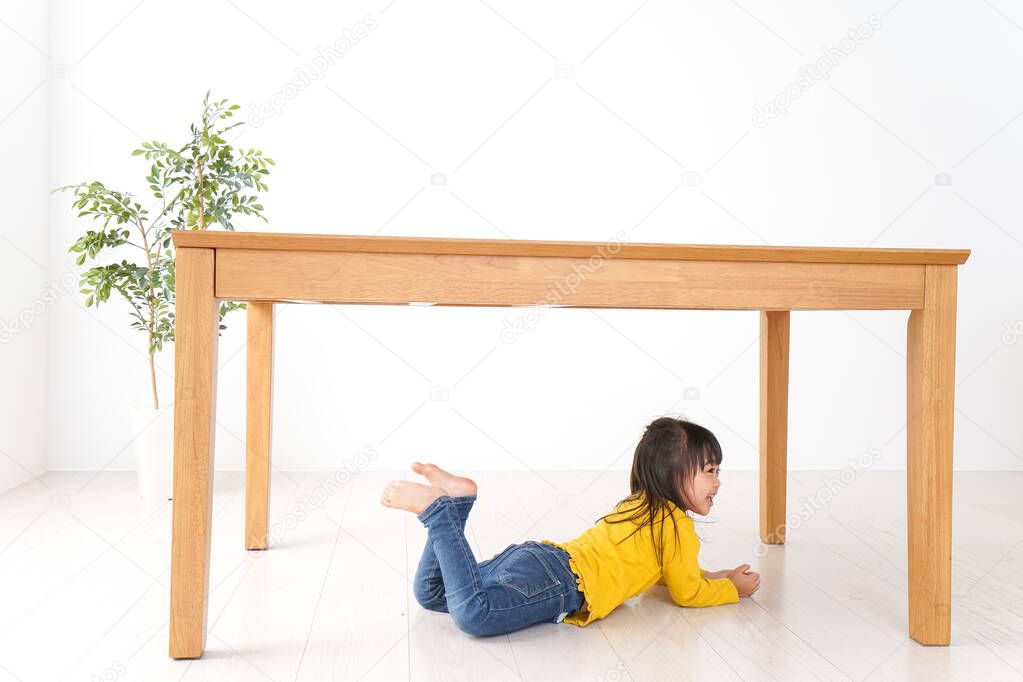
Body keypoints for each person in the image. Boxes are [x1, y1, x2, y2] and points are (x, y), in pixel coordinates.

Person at [380, 417, 761, 636]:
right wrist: (732, 590)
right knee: (474, 615)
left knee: (433, 595)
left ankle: (458, 502)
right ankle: (440, 513)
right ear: (673, 474)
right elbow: (686, 592)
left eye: (718, 471)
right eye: (709, 471)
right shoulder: (677, 526)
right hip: (560, 584)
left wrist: (719, 573)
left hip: (543, 558)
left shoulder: (641, 506)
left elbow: (670, 572)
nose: (718, 481)